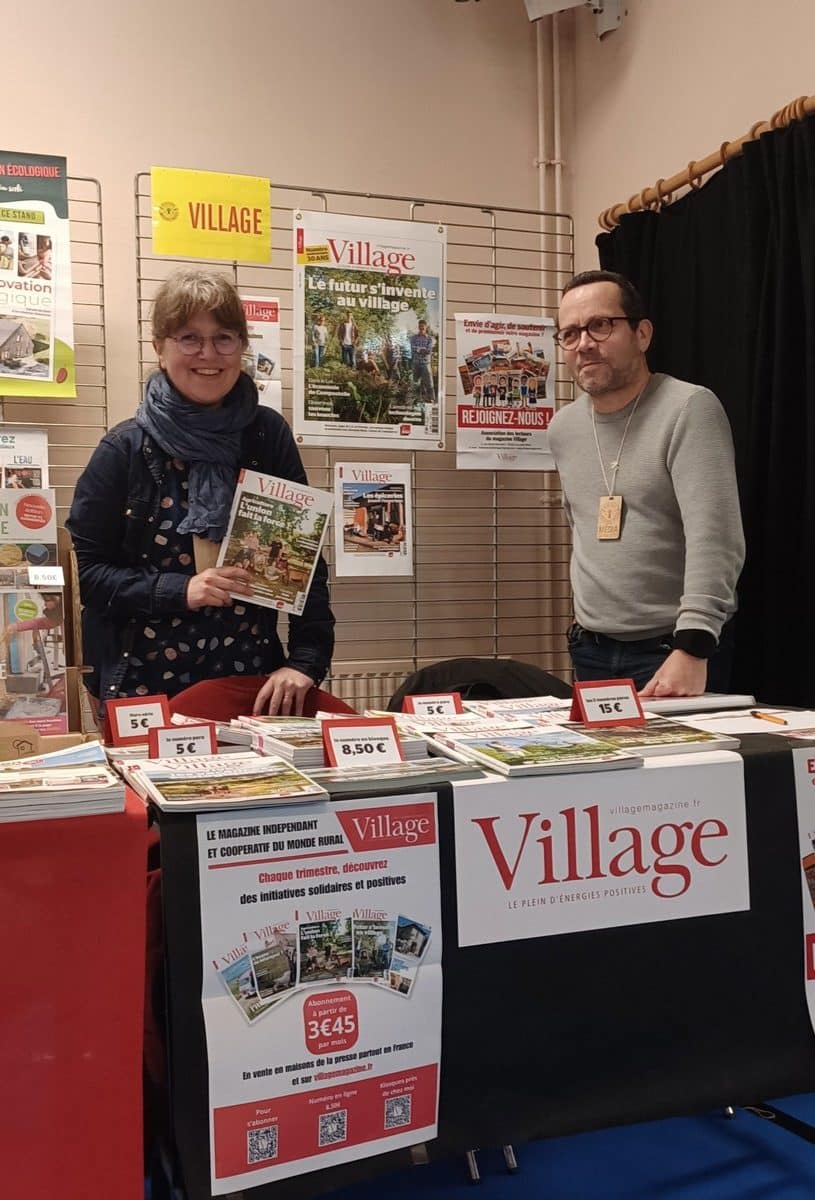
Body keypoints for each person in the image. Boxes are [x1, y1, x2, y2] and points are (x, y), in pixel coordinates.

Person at [66, 268, 334, 717]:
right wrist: (180, 589)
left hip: (251, 685)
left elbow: (305, 562)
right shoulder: (124, 449)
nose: (208, 354)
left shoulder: (266, 436)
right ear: (160, 348)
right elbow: (89, 578)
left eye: (224, 338)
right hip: (144, 688)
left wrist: (305, 661)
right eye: (189, 338)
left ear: (242, 346)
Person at [547, 269, 744, 697]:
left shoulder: (689, 408)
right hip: (591, 649)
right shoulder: (562, 428)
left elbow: (716, 537)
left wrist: (693, 645)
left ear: (642, 334)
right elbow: (583, 530)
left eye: (600, 325)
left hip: (672, 649)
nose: (584, 344)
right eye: (570, 334)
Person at [409, 319, 434, 402]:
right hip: (416, 363)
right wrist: (422, 349)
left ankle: (431, 399)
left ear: (426, 327)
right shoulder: (413, 338)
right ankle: (414, 400)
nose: (421, 328)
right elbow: (412, 348)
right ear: (418, 327)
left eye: (423, 327)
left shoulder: (429, 339)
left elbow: (429, 350)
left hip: (425, 363)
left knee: (429, 382)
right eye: (420, 326)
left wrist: (419, 350)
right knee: (415, 382)